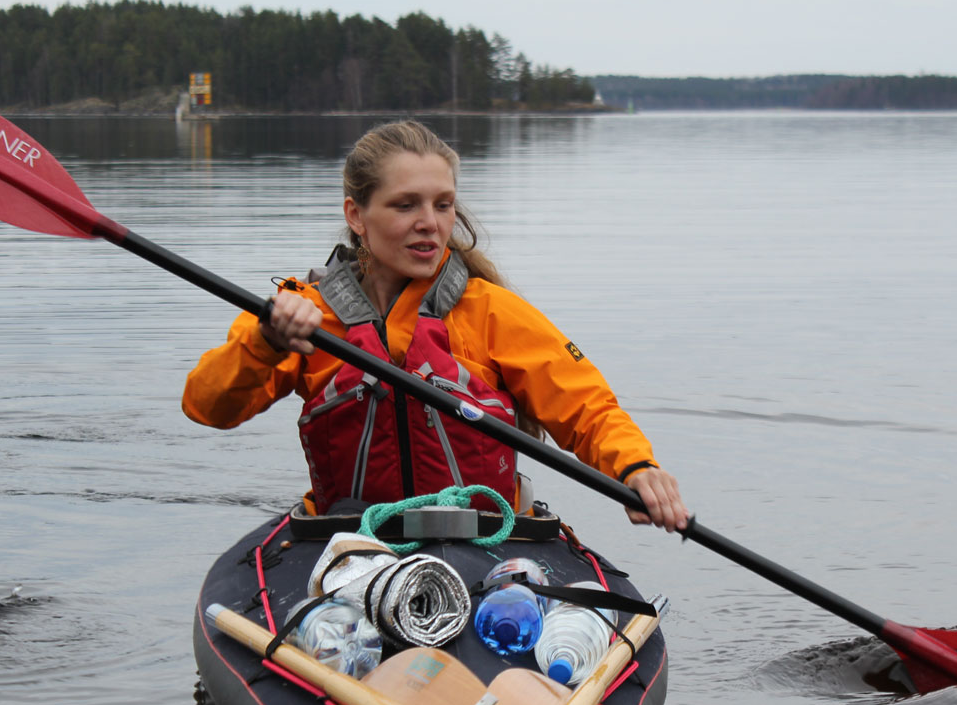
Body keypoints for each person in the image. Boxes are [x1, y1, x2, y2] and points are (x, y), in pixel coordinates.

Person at [182, 120, 689, 533]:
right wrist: (266, 340)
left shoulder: (490, 311)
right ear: (356, 216)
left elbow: (587, 408)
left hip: (488, 542)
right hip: (350, 546)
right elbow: (207, 407)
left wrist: (635, 468)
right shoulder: (302, 317)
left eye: (442, 204)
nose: (430, 222)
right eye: (406, 205)